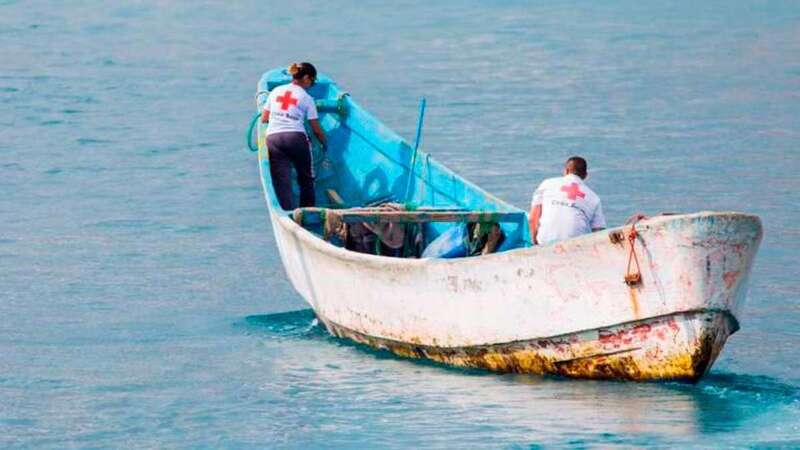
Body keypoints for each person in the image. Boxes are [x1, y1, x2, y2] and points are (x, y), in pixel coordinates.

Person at [261, 62, 328, 210]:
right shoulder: (306, 98)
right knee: (306, 178)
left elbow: (264, 118)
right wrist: (324, 143)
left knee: (281, 180)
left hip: (274, 139)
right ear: (305, 78)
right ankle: (307, 212)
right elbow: (316, 128)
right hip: (295, 139)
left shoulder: (276, 91)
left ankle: (287, 213)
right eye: (312, 81)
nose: (312, 84)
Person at [528, 156, 606, 245]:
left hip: (545, 242)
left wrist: (534, 243)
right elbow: (600, 233)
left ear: (566, 171)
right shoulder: (594, 198)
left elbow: (532, 219)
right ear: (585, 175)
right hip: (575, 246)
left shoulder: (547, 184)